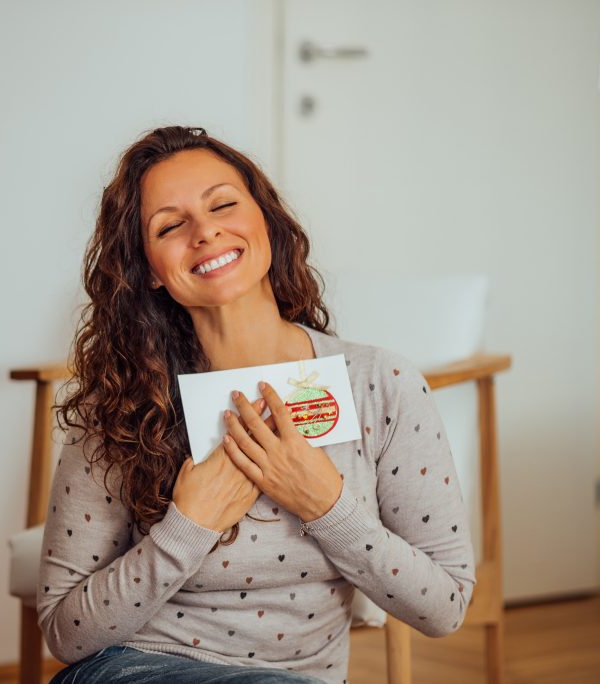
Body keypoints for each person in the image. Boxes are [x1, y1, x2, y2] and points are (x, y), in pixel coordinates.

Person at [38, 126, 475, 684]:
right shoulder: (125, 403)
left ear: (264, 220)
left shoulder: (380, 385)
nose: (205, 231)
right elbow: (64, 632)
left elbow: (445, 608)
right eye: (170, 226)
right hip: (135, 669)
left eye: (223, 204)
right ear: (148, 268)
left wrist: (327, 506)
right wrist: (188, 525)